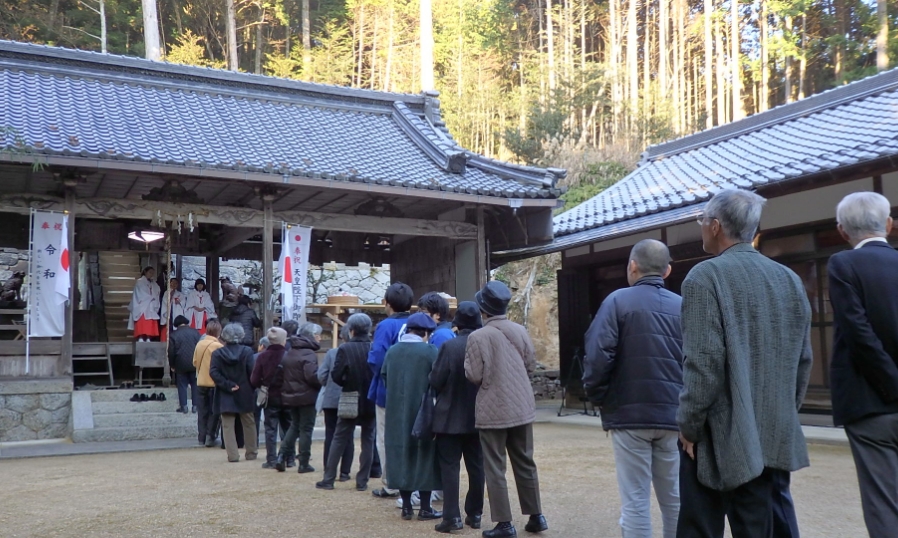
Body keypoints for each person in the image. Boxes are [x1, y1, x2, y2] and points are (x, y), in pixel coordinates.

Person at [677, 189, 812, 538]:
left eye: (701, 221)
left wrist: (689, 425)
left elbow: (703, 364)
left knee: (700, 524)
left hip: (719, 431)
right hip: (772, 428)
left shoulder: (704, 277)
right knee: (758, 525)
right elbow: (802, 360)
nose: (701, 227)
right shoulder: (789, 280)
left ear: (716, 226)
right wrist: (783, 412)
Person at [582, 239, 683, 538]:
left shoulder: (617, 301)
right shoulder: (683, 306)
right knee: (674, 498)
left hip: (629, 414)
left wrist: (600, 398)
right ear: (666, 271)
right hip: (674, 416)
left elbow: (598, 356)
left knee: (636, 499)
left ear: (632, 266)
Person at [828, 192, 898, 537]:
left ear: (842, 231)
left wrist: (892, 384)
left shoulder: (843, 265)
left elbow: (859, 333)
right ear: (889, 224)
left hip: (869, 403)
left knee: (883, 502)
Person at [465, 280, 548, 538]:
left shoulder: (477, 336)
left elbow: (473, 374)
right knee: (525, 461)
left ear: (483, 309)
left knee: (495, 466)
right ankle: (536, 516)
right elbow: (531, 364)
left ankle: (504, 524)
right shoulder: (520, 330)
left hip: (493, 409)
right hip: (521, 405)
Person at [430, 301, 485, 533]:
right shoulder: (484, 346)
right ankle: (475, 513)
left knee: (450, 467)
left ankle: (451, 517)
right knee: (477, 466)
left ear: (457, 324)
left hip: (449, 416)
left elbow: (435, 380)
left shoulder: (450, 347)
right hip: (478, 416)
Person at [382, 312, 442, 522]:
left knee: (401, 454)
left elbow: (385, 378)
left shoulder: (392, 352)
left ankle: (406, 505)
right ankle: (425, 507)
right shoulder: (429, 351)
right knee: (425, 454)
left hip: (396, 412)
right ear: (426, 332)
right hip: (423, 411)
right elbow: (438, 380)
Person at [316, 313, 378, 492]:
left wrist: (346, 381)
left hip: (350, 395)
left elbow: (335, 375)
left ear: (351, 330)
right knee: (368, 438)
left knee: (339, 436)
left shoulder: (345, 349)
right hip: (370, 397)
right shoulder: (374, 347)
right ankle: (362, 481)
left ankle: (328, 478)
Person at [368, 282, 414, 499]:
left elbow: (377, 358)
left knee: (386, 438)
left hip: (387, 391)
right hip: (414, 389)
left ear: (386, 303)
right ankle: (412, 479)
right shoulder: (417, 323)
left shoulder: (385, 326)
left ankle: (391, 482)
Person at [276, 322, 323, 473]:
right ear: (312, 337)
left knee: (294, 426)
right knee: (306, 429)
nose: (320, 339)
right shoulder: (309, 354)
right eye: (318, 336)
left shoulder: (291, 351)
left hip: (290, 394)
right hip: (307, 396)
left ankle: (281, 455)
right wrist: (322, 380)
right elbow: (311, 376)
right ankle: (303, 462)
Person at [210, 323, 258, 463]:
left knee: (227, 425)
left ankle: (233, 455)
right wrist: (252, 387)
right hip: (245, 391)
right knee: (249, 422)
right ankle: (251, 452)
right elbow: (252, 372)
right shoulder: (247, 352)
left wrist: (227, 385)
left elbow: (213, 372)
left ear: (224, 337)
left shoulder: (217, 353)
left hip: (226, 392)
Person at [251, 326, 291, 469]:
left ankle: (271, 459)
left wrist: (264, 385)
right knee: (288, 427)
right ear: (283, 340)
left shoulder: (262, 357)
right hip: (288, 396)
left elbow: (254, 380)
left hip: (270, 396)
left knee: (270, 429)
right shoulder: (289, 355)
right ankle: (289, 458)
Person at [318, 325, 355, 481]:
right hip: (351, 398)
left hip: (331, 398)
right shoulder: (358, 352)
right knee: (348, 436)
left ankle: (329, 467)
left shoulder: (332, 353)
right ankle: (345, 472)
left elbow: (322, 375)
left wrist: (329, 385)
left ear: (342, 337)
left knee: (331, 434)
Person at [193, 318, 224, 447]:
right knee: (213, 411)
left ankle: (201, 436)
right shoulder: (219, 346)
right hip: (213, 383)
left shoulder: (199, 344)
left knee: (202, 411)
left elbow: (194, 362)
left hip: (200, 381)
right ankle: (210, 436)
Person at [167, 315, 201, 414]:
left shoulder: (174, 335)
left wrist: (172, 365)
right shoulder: (195, 332)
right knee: (195, 385)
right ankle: (195, 406)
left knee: (182, 385)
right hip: (194, 362)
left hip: (180, 363)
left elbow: (171, 352)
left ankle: (184, 406)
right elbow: (200, 347)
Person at [127, 266, 160, 341]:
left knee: (150, 321)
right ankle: (141, 336)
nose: (151, 274)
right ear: (145, 272)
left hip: (151, 304)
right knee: (142, 321)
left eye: (152, 273)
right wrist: (150, 297)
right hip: (143, 304)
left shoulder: (153, 283)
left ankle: (148, 337)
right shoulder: (140, 281)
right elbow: (141, 293)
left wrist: (153, 296)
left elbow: (157, 290)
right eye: (150, 272)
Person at [160, 277, 185, 342]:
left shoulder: (180, 294)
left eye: (176, 283)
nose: (174, 284)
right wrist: (171, 295)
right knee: (168, 326)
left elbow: (183, 303)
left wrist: (179, 302)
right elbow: (165, 302)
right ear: (170, 283)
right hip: (169, 312)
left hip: (176, 312)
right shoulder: (166, 293)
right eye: (172, 283)